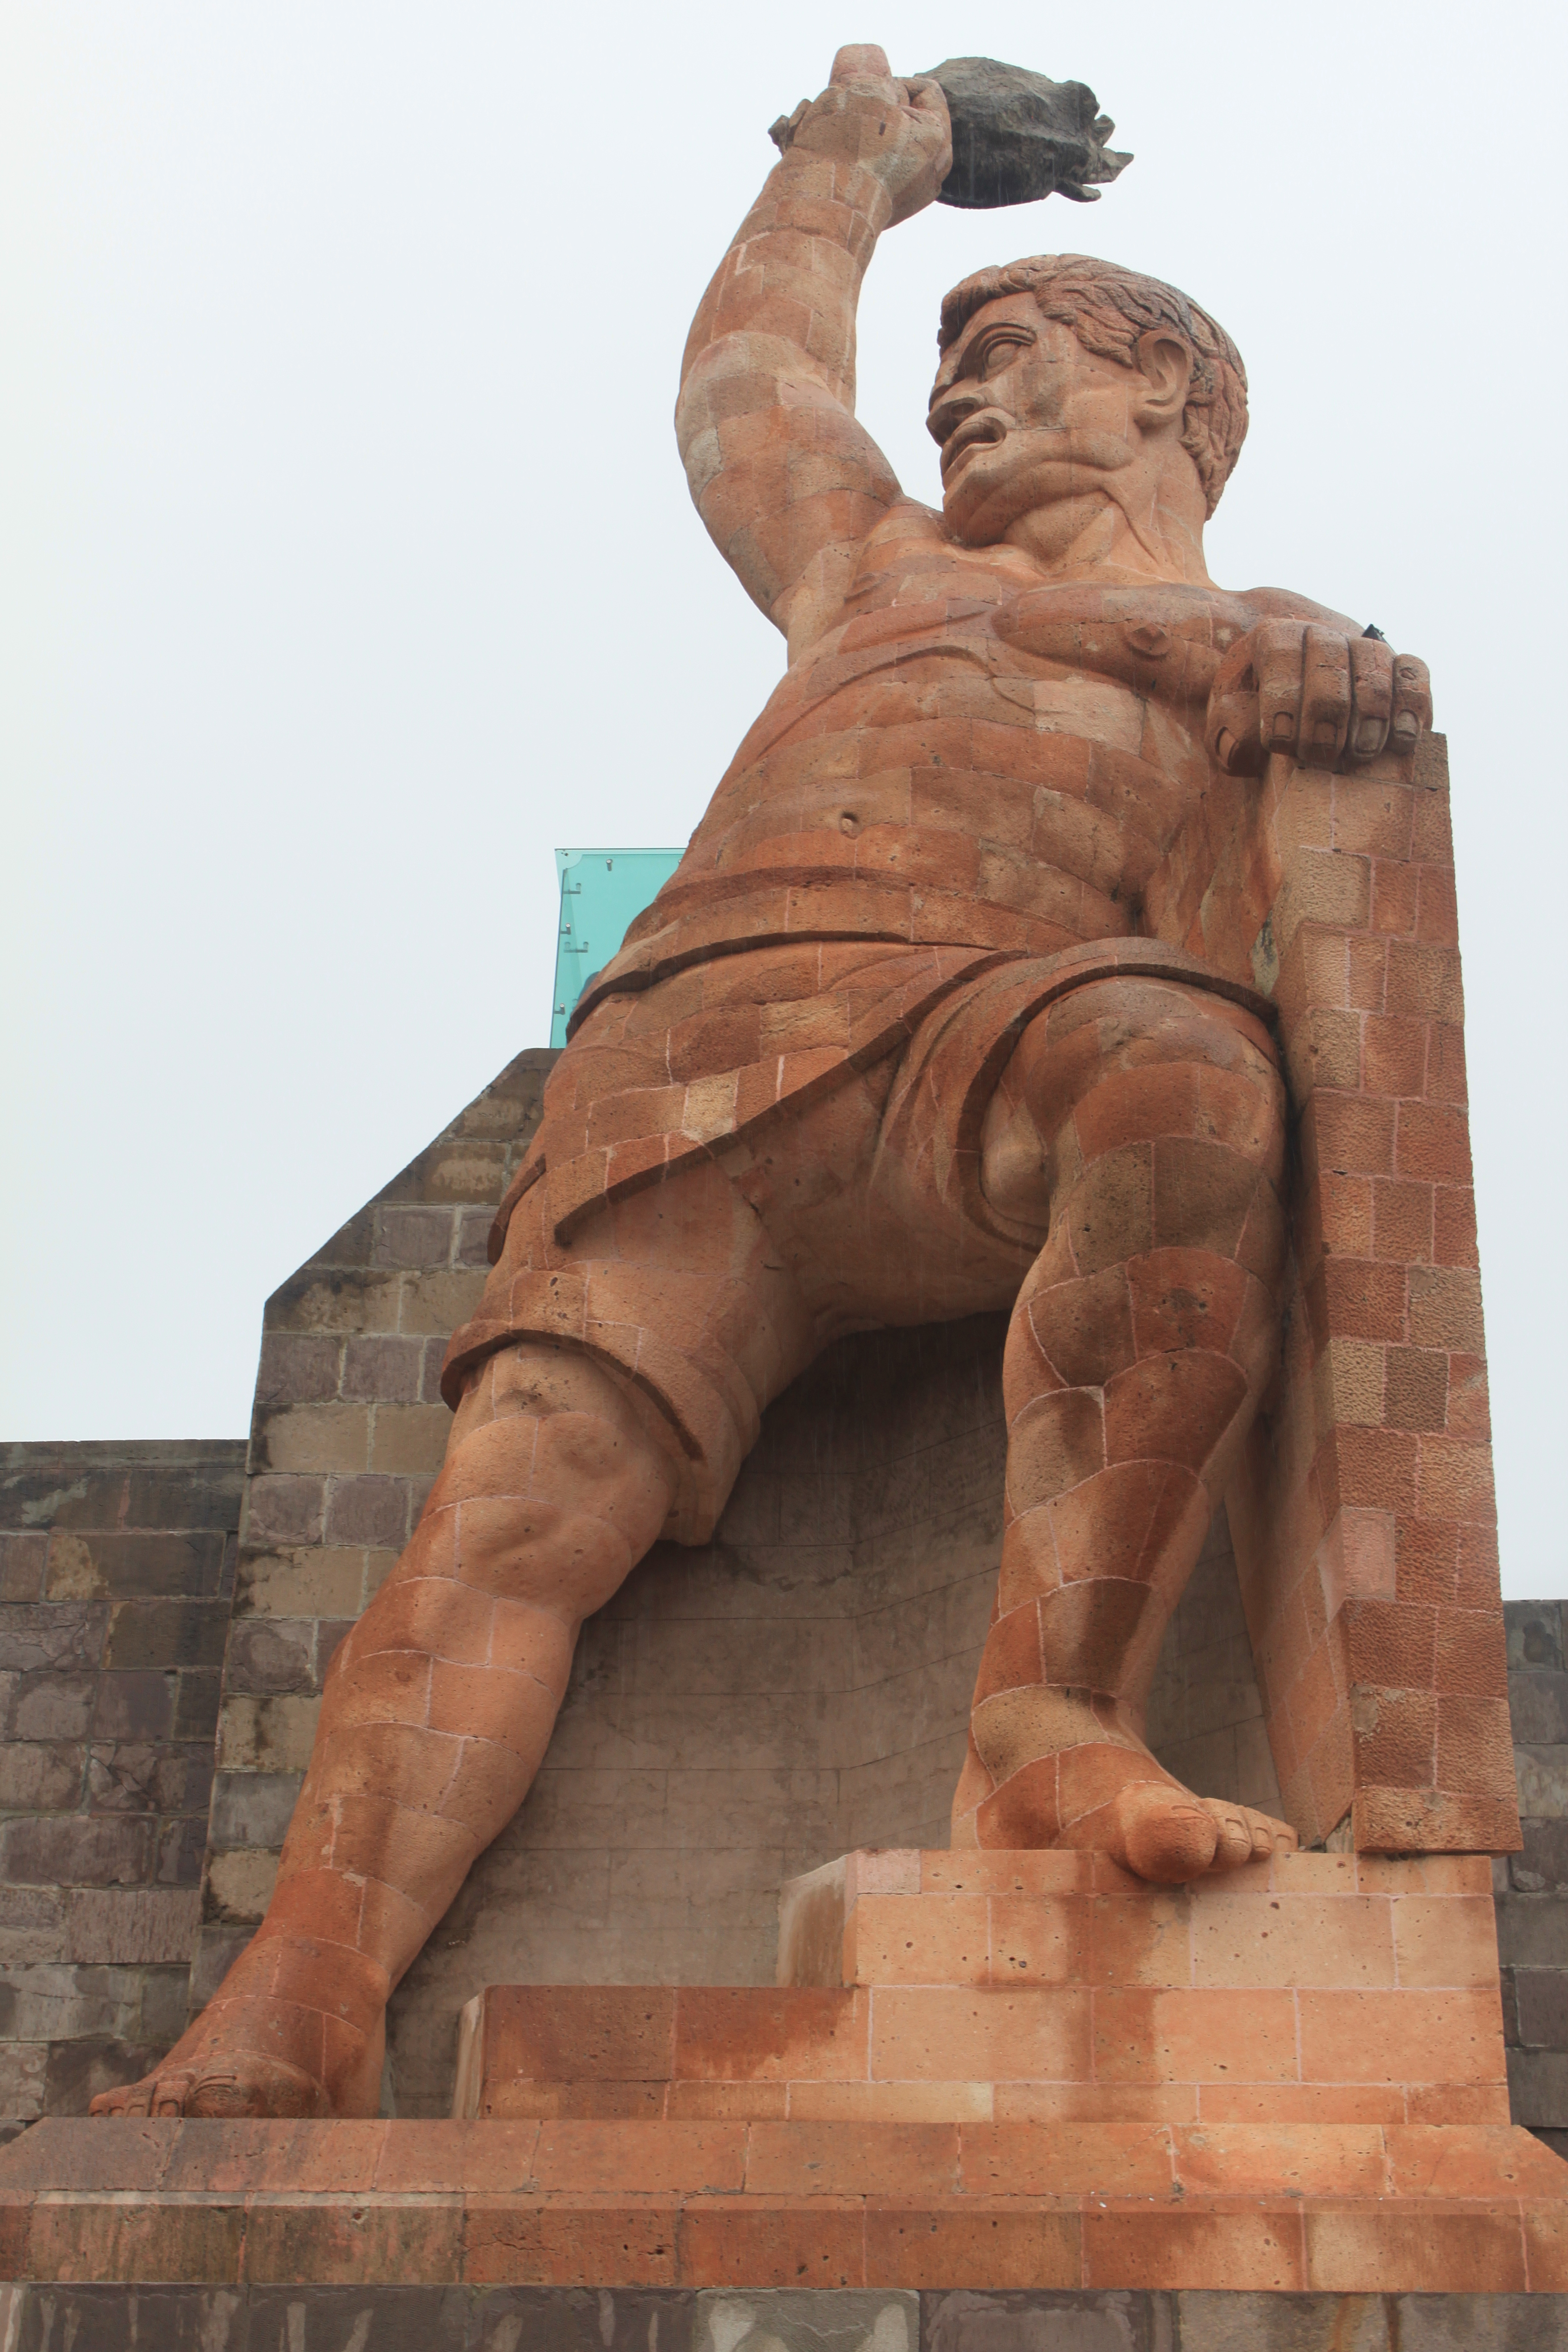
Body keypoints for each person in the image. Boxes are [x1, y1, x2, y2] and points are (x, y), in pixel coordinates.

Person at [95, 45, 1431, 2120]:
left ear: (1164, 385)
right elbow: (753, 384)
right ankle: (302, 1995)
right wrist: (860, 163)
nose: (954, 398)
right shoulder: (877, 569)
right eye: (945, 369)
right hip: (695, 1060)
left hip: (987, 1044)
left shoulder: (1264, 644)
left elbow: (1304, 954)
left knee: (1182, 1076)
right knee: (515, 1510)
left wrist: (1322, 692)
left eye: (1009, 353)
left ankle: (1051, 1721)